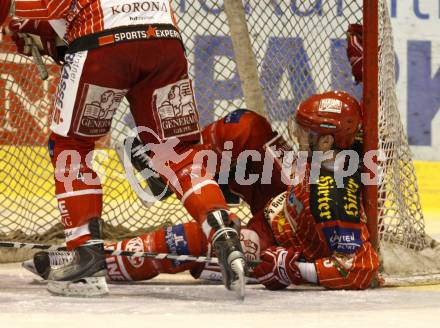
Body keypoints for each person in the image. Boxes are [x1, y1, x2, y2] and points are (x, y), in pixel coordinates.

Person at [1, 1, 246, 297]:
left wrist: (19, 23)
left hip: (102, 41)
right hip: (164, 39)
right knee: (177, 151)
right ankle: (221, 227)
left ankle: (85, 258)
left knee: (71, 147)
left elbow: (50, 11)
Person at [26, 91, 379, 290]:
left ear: (329, 140)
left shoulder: (334, 194)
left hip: (280, 240)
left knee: (194, 240)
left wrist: (291, 267)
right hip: (282, 208)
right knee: (245, 126)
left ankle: (96, 258)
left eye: (306, 134)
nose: (297, 138)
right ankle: (173, 169)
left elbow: (362, 266)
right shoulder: (340, 149)